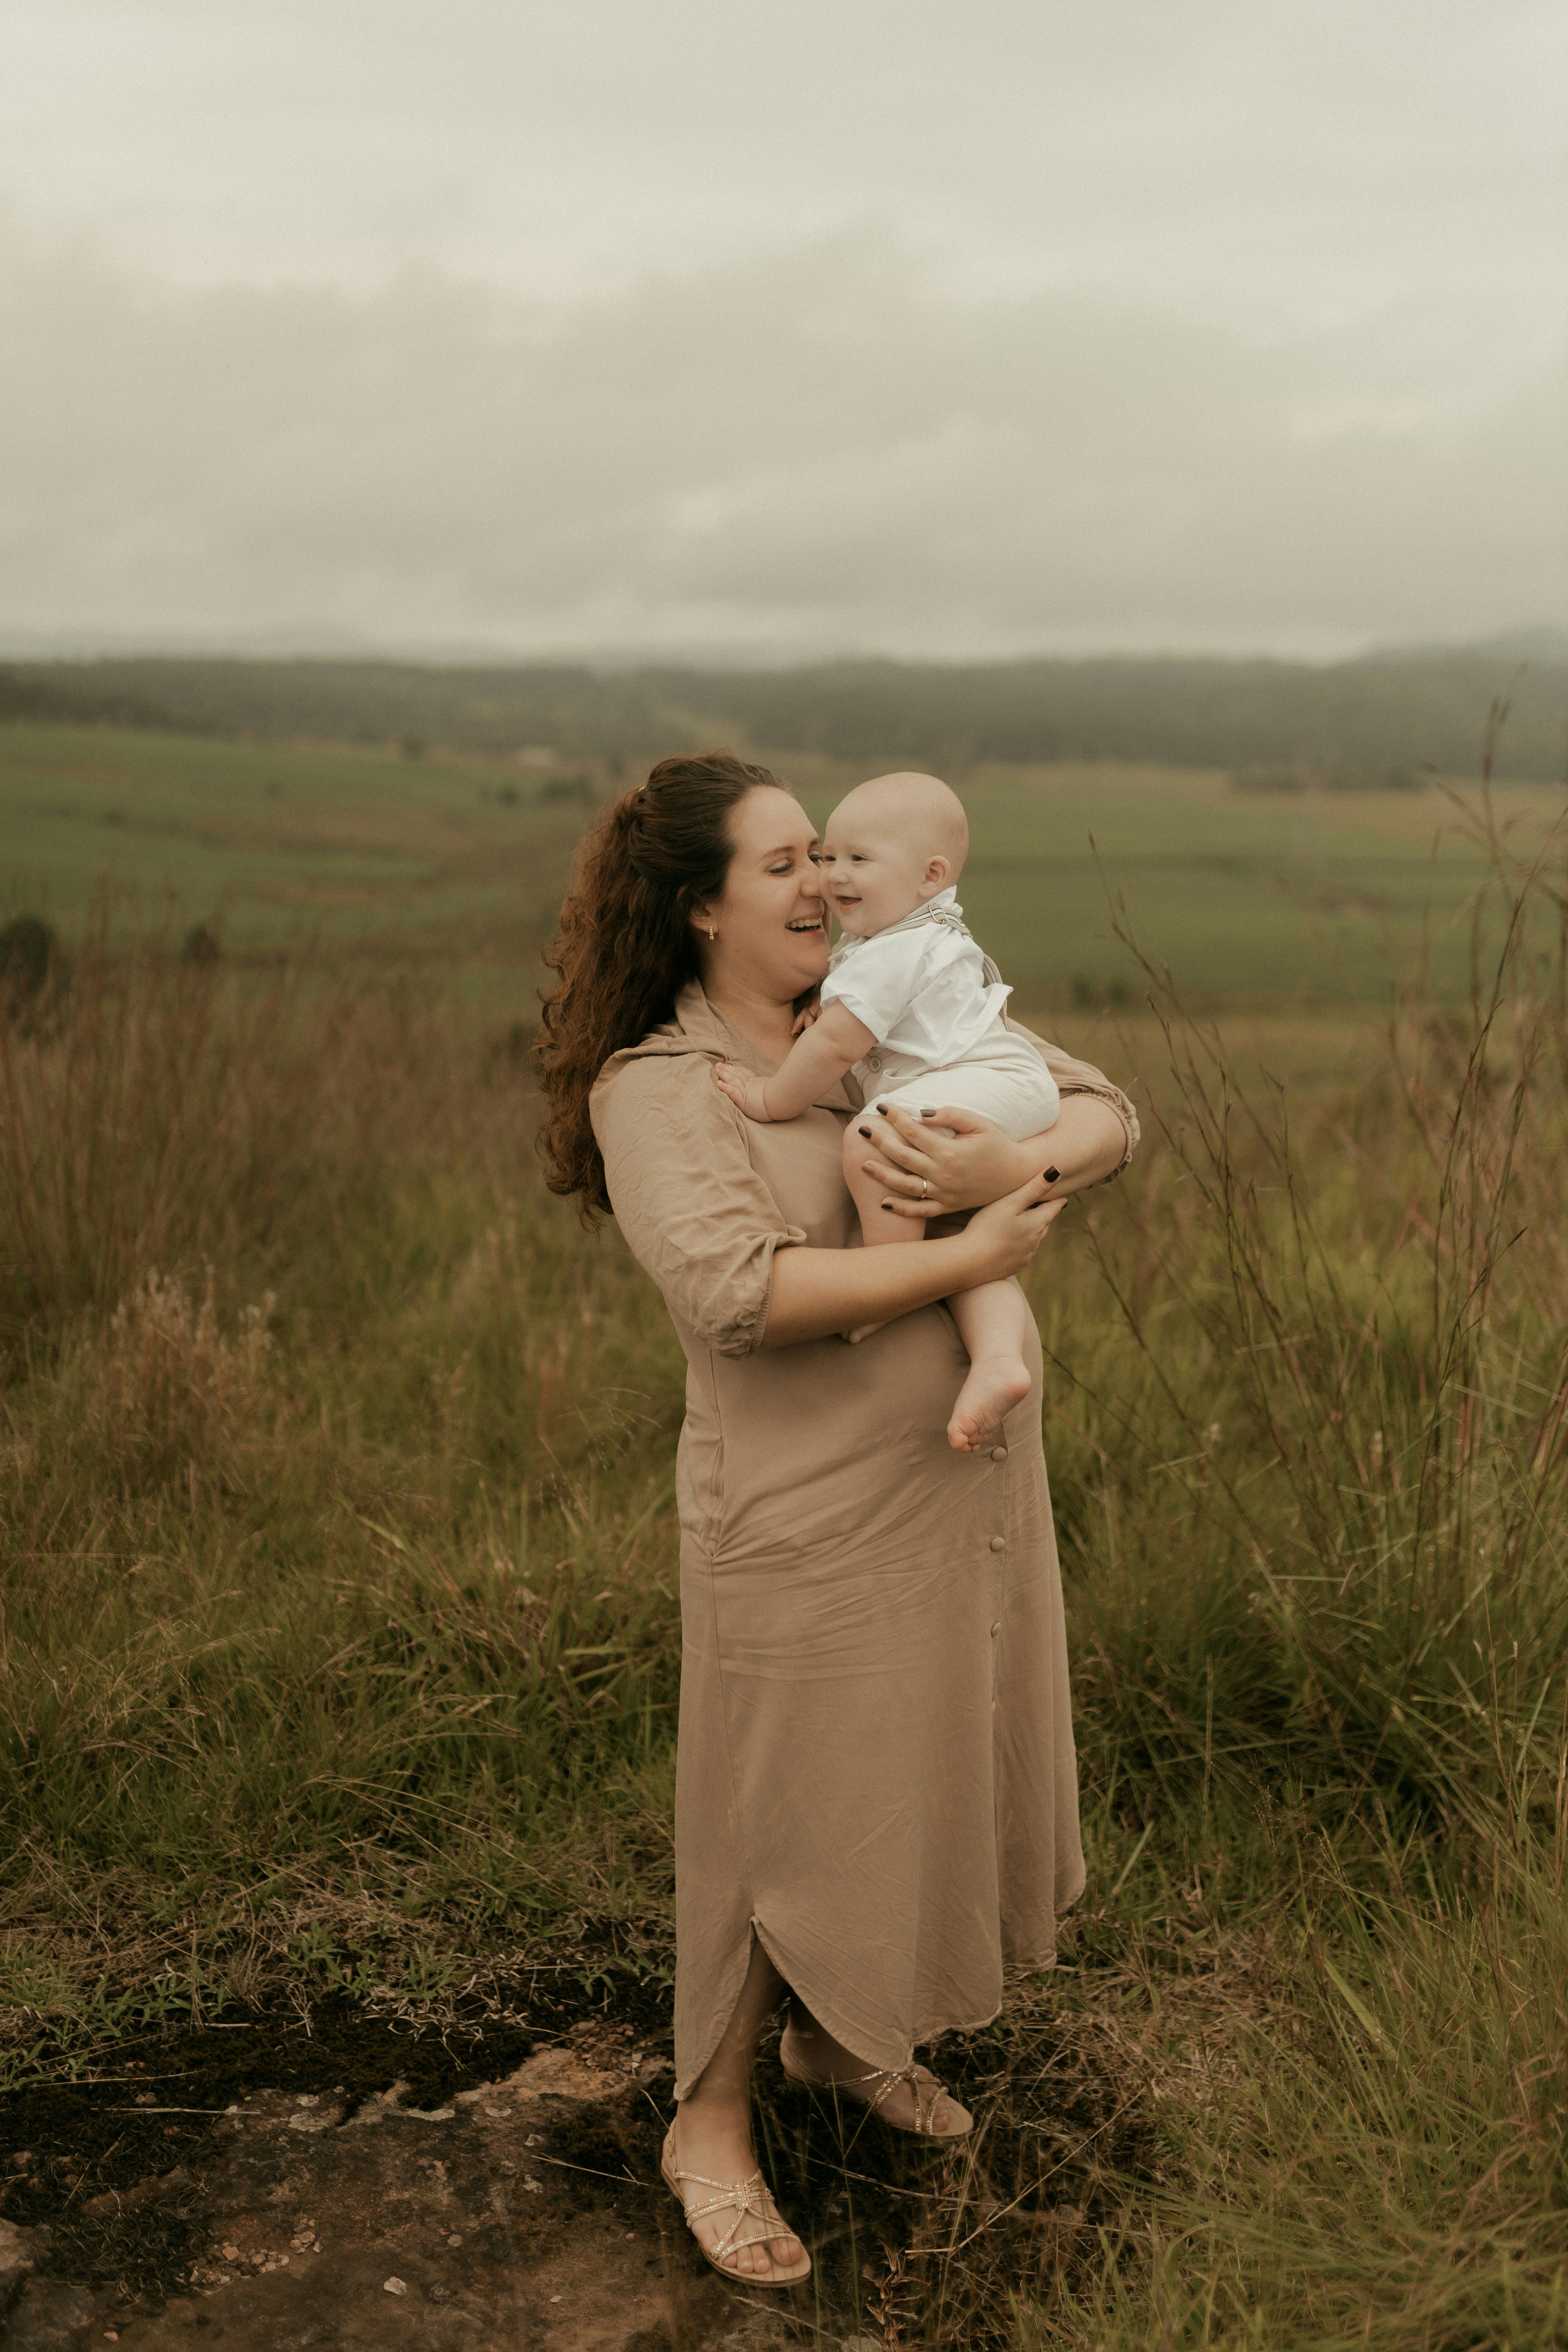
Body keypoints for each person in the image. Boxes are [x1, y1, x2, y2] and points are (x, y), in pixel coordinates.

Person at [537, 751, 1138, 2288]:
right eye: (779, 865)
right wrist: (971, 1256)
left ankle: (846, 2043)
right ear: (694, 911)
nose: (818, 881)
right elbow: (744, 1297)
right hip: (796, 1520)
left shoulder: (876, 1004)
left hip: (954, 1500)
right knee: (763, 1822)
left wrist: (1018, 1163)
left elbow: (1102, 1108)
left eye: (821, 852)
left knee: (908, 1780)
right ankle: (711, 2122)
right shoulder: (657, 1091)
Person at [714, 768, 1058, 1453]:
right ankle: (999, 1359)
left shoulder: (893, 952)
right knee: (956, 1232)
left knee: (876, 1139)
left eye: (858, 860)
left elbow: (839, 1044)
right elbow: (851, 1007)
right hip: (1002, 1083)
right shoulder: (900, 938)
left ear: (930, 876)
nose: (831, 877)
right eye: (827, 856)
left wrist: (768, 1095)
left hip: (990, 1080)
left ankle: (888, 1284)